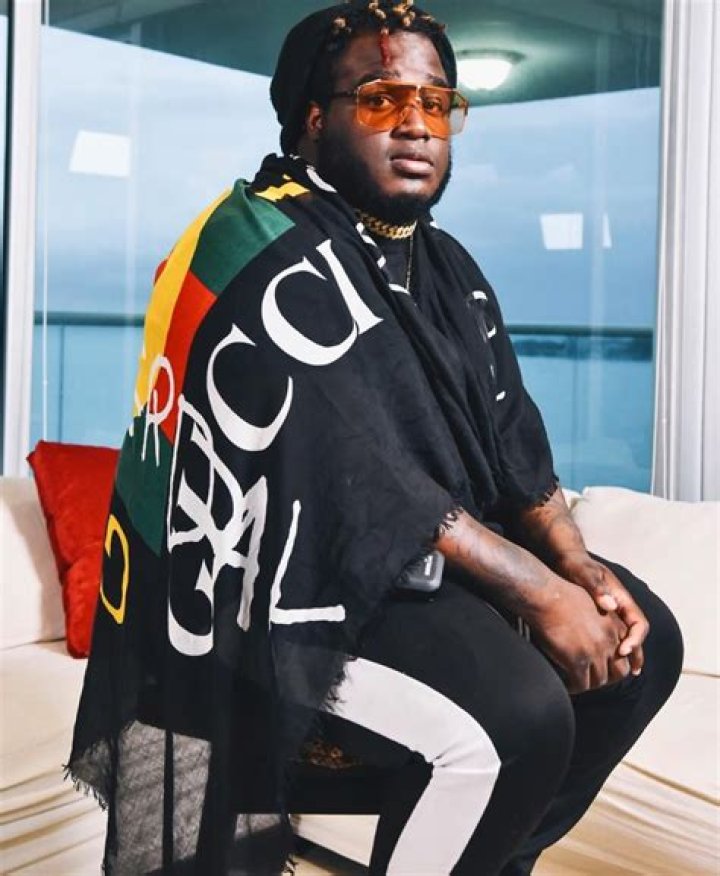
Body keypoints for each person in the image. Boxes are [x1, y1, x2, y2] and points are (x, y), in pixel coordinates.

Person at [67, 2, 683, 874]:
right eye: (383, 98)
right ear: (314, 118)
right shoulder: (252, 243)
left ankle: (490, 857)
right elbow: (360, 472)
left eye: (436, 103)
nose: (417, 125)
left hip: (408, 576)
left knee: (645, 644)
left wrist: (581, 570)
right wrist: (544, 596)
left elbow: (514, 443)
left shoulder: (447, 265)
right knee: (516, 717)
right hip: (277, 598)